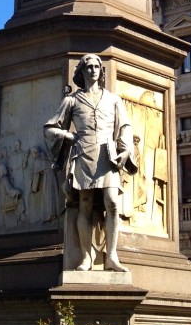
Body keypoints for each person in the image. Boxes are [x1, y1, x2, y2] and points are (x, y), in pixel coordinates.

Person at [44, 54, 136, 271]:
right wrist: (68, 136)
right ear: (82, 72)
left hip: (107, 154)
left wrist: (126, 150)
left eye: (97, 67)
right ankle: (86, 257)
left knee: (112, 201)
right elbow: (50, 127)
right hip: (83, 153)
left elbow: (124, 126)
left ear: (101, 72)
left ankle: (111, 255)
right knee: (84, 204)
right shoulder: (72, 100)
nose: (94, 70)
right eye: (89, 67)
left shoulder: (114, 100)